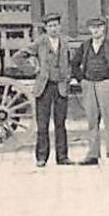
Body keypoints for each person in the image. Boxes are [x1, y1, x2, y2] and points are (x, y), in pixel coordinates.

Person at [75, 15, 109, 166]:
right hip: (89, 85)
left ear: (103, 28)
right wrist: (82, 81)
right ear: (89, 29)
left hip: (106, 84)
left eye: (98, 27)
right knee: (92, 121)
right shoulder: (85, 46)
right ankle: (92, 154)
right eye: (93, 27)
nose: (96, 30)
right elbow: (74, 64)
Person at [30, 14, 73, 167]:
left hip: (61, 86)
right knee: (42, 124)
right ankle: (41, 157)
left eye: (55, 25)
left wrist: (69, 75)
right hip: (44, 87)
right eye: (50, 26)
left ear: (60, 26)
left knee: (60, 123)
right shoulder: (40, 42)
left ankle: (62, 157)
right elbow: (20, 56)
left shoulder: (66, 41)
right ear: (46, 28)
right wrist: (34, 68)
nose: (53, 29)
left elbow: (73, 60)